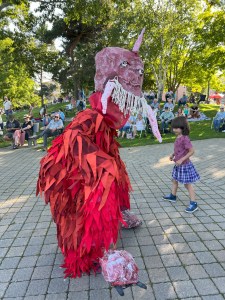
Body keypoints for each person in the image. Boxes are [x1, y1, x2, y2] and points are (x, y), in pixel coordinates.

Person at [37, 30, 162, 279]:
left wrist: (110, 165)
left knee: (117, 175)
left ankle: (120, 214)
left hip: (92, 167)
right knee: (87, 204)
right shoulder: (91, 116)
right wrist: (102, 164)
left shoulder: (104, 119)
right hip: (72, 174)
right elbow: (73, 136)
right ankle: (86, 255)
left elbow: (108, 152)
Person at [163, 116, 200, 213]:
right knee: (174, 180)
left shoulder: (185, 138)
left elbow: (191, 151)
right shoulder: (178, 137)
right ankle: (173, 196)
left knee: (187, 185)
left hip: (185, 165)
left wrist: (182, 159)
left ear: (183, 127)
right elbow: (179, 150)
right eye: (173, 127)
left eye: (176, 127)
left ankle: (194, 203)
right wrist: (173, 154)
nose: (174, 129)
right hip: (178, 165)